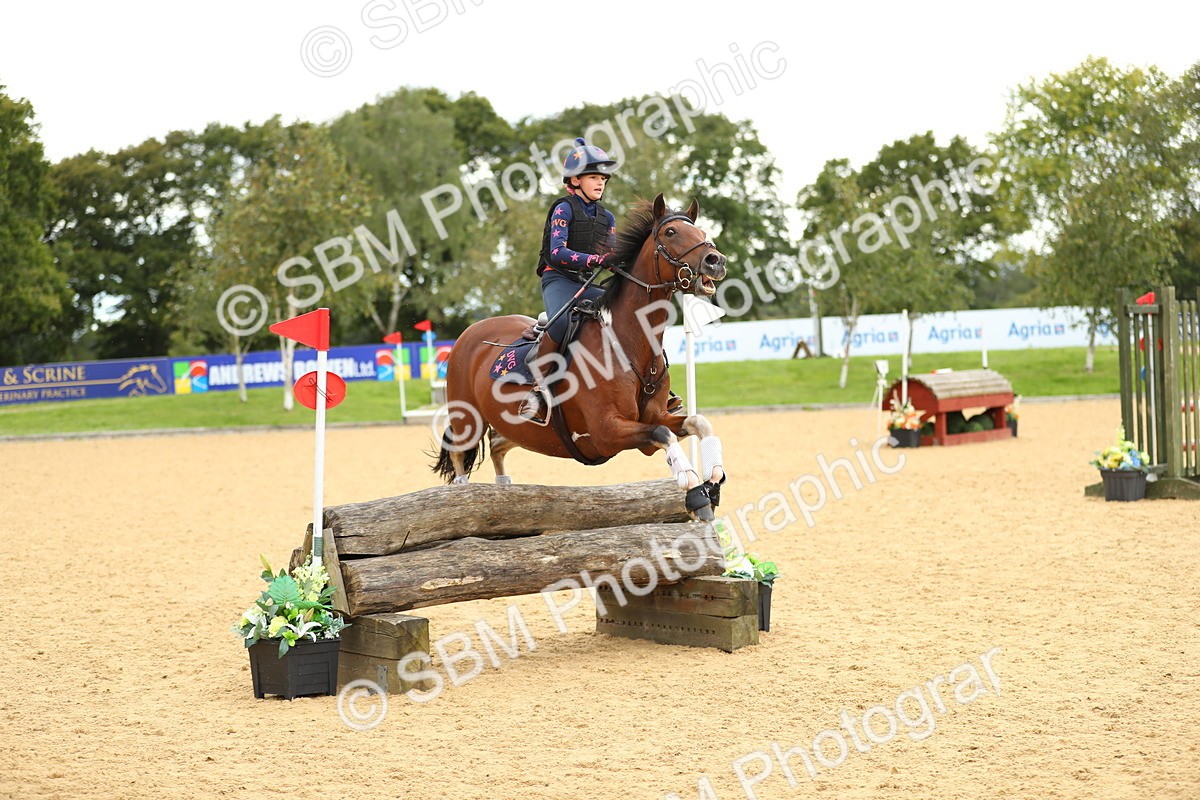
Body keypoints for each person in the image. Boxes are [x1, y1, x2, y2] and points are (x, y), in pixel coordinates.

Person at [518, 137, 618, 424]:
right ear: (575, 180)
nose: (600, 183)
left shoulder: (608, 217)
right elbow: (557, 252)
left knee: (625, 314)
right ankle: (538, 391)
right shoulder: (563, 208)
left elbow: (611, 255)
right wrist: (595, 260)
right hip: (558, 279)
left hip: (587, 284)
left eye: (603, 178)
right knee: (561, 323)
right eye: (594, 177)